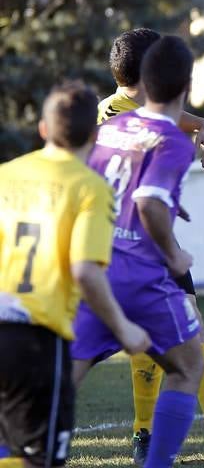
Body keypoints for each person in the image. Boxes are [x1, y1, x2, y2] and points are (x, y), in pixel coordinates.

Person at [96, 28, 204, 465]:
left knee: (184, 331)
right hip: (127, 245)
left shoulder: (133, 109)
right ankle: (153, 433)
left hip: (142, 240)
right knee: (157, 337)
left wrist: (203, 124)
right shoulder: (119, 115)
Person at [71, 36, 204, 468]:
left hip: (92, 266)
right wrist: (174, 256)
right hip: (138, 276)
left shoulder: (112, 127)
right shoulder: (173, 140)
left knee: (63, 378)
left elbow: (91, 181)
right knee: (188, 365)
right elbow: (148, 204)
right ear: (186, 85)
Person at [0, 81, 150, 468]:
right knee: (39, 456)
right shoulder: (90, 188)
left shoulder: (6, 174)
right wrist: (123, 327)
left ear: (43, 129)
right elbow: (85, 271)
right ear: (94, 136)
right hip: (37, 338)